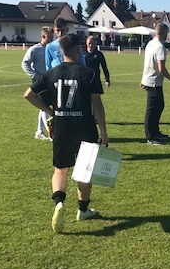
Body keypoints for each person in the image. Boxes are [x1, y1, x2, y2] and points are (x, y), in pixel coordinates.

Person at [24, 33, 109, 233]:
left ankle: (59, 203)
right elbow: (97, 104)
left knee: (60, 169)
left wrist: (50, 111)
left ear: (60, 51)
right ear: (79, 49)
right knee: (85, 171)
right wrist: (104, 131)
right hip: (85, 127)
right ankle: (83, 210)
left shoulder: (51, 73)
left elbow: (28, 95)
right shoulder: (88, 73)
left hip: (62, 127)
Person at [140, 23, 170, 145]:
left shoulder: (150, 43)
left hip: (150, 79)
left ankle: (155, 132)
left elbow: (148, 63)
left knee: (159, 106)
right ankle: (150, 136)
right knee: (152, 109)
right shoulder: (160, 47)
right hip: (154, 82)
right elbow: (161, 68)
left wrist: (144, 79)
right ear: (163, 33)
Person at [21, 26, 54, 140]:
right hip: (40, 82)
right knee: (44, 105)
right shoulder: (35, 49)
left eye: (52, 37)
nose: (51, 39)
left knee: (44, 106)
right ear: (43, 36)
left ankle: (39, 131)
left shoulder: (52, 48)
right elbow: (25, 63)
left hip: (50, 80)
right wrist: (35, 76)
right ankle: (50, 133)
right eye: (49, 37)